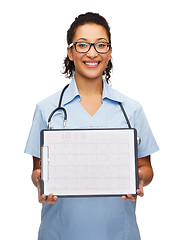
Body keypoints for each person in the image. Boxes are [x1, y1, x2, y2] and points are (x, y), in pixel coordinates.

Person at [25, 12, 159, 240]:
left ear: (109, 51)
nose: (92, 52)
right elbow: (38, 171)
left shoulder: (131, 109)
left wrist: (139, 178)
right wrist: (39, 181)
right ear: (70, 51)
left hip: (119, 232)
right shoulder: (46, 109)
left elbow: (146, 168)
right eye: (82, 45)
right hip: (60, 232)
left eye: (100, 45)